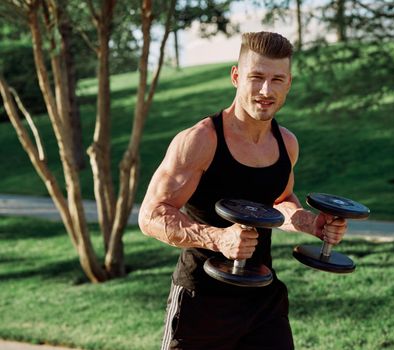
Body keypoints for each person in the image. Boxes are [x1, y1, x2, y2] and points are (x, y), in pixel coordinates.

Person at [139, 31, 348, 350]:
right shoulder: (201, 140)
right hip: (202, 300)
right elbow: (151, 215)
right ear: (236, 77)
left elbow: (279, 202)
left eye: (277, 79)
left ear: (289, 83)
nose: (266, 90)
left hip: (263, 300)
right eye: (257, 77)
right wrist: (218, 238)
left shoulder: (286, 143)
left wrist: (311, 223)